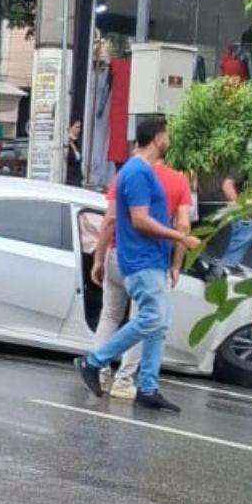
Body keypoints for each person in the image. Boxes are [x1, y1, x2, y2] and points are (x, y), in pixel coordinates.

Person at [75, 115, 203, 412]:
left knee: (158, 324)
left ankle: (147, 387)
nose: (168, 140)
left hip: (151, 257)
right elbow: (140, 220)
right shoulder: (136, 173)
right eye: (166, 135)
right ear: (157, 137)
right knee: (151, 319)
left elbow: (116, 218)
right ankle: (93, 361)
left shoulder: (138, 171)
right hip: (141, 258)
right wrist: (181, 239)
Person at [90, 150, 193, 400]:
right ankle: (124, 380)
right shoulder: (178, 181)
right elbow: (183, 225)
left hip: (117, 253)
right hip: (150, 260)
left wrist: (98, 258)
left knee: (110, 315)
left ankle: (100, 373)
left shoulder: (125, 174)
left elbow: (110, 219)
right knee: (144, 320)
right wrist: (176, 264)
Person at [64, 118, 84, 186]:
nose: (78, 130)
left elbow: (79, 158)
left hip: (76, 178)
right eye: (76, 127)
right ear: (70, 128)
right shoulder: (65, 143)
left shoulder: (76, 142)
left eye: (79, 127)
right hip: (69, 179)